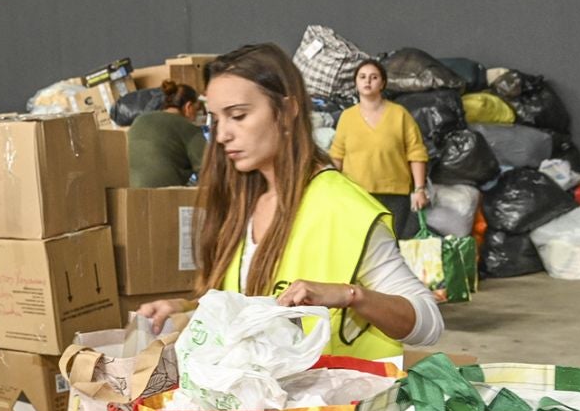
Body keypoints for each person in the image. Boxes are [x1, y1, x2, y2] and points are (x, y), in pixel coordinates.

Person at [138, 43, 443, 361]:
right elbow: (251, 307)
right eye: (216, 119)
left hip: (335, 405)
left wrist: (349, 295)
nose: (222, 134)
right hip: (268, 401)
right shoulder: (243, 203)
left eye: (238, 116)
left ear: (287, 111)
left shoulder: (341, 208)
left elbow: (428, 323)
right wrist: (187, 309)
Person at [330, 59, 431, 239]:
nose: (367, 81)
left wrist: (419, 189)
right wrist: (330, 188)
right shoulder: (347, 117)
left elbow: (416, 153)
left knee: (391, 247)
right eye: (362, 77)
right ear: (356, 83)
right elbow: (337, 156)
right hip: (357, 195)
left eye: (373, 77)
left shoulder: (400, 114)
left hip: (394, 196)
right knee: (360, 247)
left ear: (382, 83)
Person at [127, 82, 207, 187]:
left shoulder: (140, 119)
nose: (197, 115)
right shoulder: (189, 128)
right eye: (197, 110)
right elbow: (208, 170)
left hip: (128, 192)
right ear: (189, 107)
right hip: (163, 197)